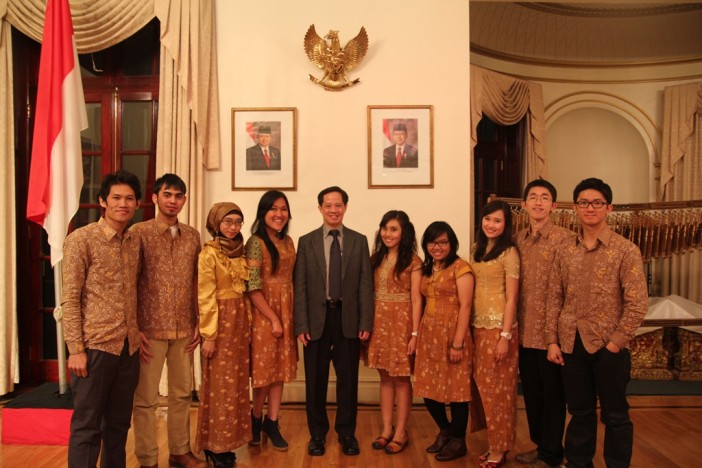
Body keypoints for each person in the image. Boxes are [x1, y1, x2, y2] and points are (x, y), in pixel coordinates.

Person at [546, 178, 648, 468]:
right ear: (575, 208)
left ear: (608, 208)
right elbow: (554, 297)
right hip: (571, 343)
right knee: (580, 412)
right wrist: (552, 340)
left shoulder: (626, 250)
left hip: (609, 346)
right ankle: (578, 463)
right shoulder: (565, 249)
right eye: (584, 203)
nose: (590, 208)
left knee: (615, 415)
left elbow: (638, 302)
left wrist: (616, 342)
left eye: (597, 203)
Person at [62, 171, 142, 468]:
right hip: (94, 347)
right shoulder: (81, 239)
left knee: (118, 425)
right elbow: (70, 298)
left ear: (137, 204)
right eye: (116, 198)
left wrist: (138, 332)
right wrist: (75, 349)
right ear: (102, 201)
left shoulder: (133, 241)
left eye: (129, 199)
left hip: (128, 348)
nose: (123, 204)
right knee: (87, 425)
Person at [130, 174, 205, 468]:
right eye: (167, 194)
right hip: (149, 330)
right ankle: (148, 458)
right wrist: (134, 327)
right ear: (154, 198)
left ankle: (180, 451)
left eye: (178, 196)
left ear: (184, 200)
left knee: (182, 394)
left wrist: (199, 320)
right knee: (146, 398)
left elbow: (198, 280)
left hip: (185, 328)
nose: (173, 201)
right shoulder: (139, 233)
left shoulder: (193, 236)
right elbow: (129, 282)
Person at [293, 186, 373, 457]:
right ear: (320, 208)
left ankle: (347, 433)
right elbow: (300, 286)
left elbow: (365, 285)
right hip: (316, 320)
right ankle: (317, 435)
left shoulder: (359, 241)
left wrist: (365, 321)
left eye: (338, 205)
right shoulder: (306, 242)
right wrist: (301, 324)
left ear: (345, 207)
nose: (333, 210)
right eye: (328, 205)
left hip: (348, 319)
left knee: (348, 381)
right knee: (315, 381)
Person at [513, 180, 573, 468]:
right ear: (524, 204)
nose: (538, 202)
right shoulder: (517, 240)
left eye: (545, 197)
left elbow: (567, 290)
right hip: (523, 333)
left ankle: (552, 454)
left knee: (553, 397)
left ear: (554, 205)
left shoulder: (566, 240)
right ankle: (541, 447)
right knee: (532, 396)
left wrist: (555, 338)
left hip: (551, 336)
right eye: (533, 197)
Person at [195, 203, 250, 468]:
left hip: (240, 323)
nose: (233, 227)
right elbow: (205, 296)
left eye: (238, 222)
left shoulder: (242, 251)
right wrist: (209, 335)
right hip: (220, 323)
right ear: (216, 223)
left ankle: (227, 442)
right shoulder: (209, 254)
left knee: (235, 385)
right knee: (219, 386)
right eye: (228, 221)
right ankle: (213, 445)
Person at [414, 221, 475, 462]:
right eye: (432, 242)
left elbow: (466, 306)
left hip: (453, 333)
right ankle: (446, 430)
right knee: (428, 388)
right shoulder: (428, 268)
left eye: (443, 242)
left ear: (452, 244)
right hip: (429, 334)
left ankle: (459, 440)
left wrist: (457, 343)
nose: (437, 247)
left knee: (457, 390)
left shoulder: (461, 268)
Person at [364, 210, 423, 455]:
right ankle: (387, 429)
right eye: (384, 228)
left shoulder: (413, 261)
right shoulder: (375, 258)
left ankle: (401, 432)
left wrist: (415, 334)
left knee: (401, 379)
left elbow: (417, 299)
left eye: (393, 229)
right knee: (385, 378)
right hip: (378, 323)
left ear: (403, 232)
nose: (387, 233)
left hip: (402, 324)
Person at [245, 190, 297, 451]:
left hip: (287, 310)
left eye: (283, 209)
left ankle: (272, 422)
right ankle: (255, 418)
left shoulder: (288, 241)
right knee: (264, 373)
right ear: (263, 213)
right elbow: (253, 287)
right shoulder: (255, 242)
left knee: (280, 371)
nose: (279, 214)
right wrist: (274, 318)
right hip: (264, 313)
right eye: (273, 209)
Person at [470, 200, 520, 468]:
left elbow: (511, 298)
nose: (491, 225)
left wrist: (505, 336)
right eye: (488, 219)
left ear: (506, 224)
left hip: (499, 329)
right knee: (483, 390)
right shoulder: (476, 249)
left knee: (500, 392)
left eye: (497, 221)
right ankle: (494, 443)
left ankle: (500, 449)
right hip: (477, 328)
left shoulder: (509, 253)